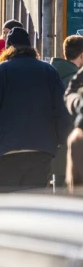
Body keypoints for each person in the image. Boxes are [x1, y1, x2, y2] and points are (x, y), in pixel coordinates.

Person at [0, 27, 73, 192]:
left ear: (8, 49)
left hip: (5, 149)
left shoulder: (2, 70)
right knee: (33, 205)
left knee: (8, 205)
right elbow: (61, 109)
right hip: (40, 149)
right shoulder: (48, 71)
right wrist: (60, 140)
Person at [50, 35, 83, 186]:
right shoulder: (74, 81)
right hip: (72, 148)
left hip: (50, 147)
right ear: (81, 55)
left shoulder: (49, 73)